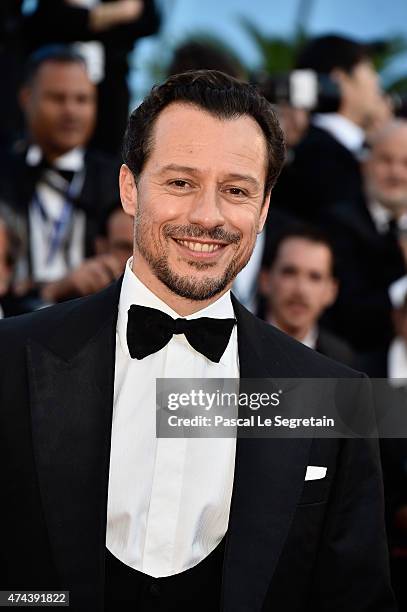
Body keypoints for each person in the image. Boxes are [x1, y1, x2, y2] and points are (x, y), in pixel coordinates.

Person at [0, 70, 395, 612]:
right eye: (181, 182)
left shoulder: (330, 398)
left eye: (235, 190)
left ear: (262, 210)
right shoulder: (12, 358)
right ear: (128, 189)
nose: (207, 216)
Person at [0, 46, 121, 294]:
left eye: (82, 99)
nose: (71, 111)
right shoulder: (3, 172)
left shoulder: (117, 180)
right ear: (26, 98)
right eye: (57, 98)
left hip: (88, 320)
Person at [22, 0, 161, 156]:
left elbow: (147, 20)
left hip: (110, 88)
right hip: (57, 80)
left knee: (107, 153)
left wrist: (87, 18)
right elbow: (47, 21)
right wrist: (115, 14)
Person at [272, 34, 383, 221]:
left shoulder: (350, 148)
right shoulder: (320, 153)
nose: (377, 79)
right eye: (370, 68)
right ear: (339, 79)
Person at [322, 119, 407, 357]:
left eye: (405, 163)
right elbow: (347, 313)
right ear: (365, 164)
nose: (396, 173)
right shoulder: (336, 225)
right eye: (386, 160)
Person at [259, 227, 354, 366]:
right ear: (265, 280)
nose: (300, 290)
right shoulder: (236, 344)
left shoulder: (343, 360)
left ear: (331, 291)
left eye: (315, 277)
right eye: (289, 273)